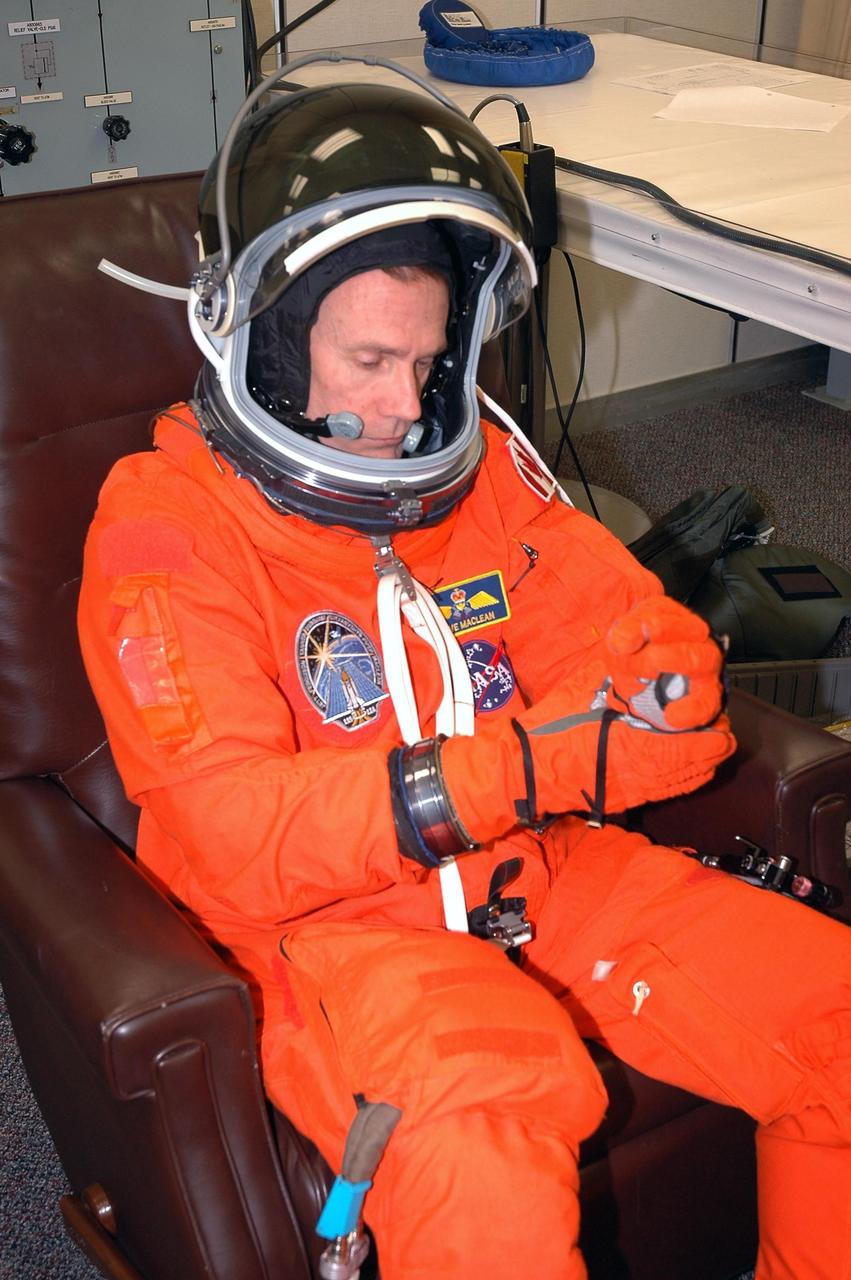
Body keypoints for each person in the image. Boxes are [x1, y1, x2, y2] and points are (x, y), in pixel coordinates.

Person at [77, 78, 851, 1280]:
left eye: (427, 364)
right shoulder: (164, 528)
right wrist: (514, 767)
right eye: (369, 360)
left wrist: (667, 687)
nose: (401, 409)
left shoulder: (478, 471)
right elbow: (228, 832)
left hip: (539, 872)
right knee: (485, 1142)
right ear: (269, 343)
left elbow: (633, 662)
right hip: (334, 940)